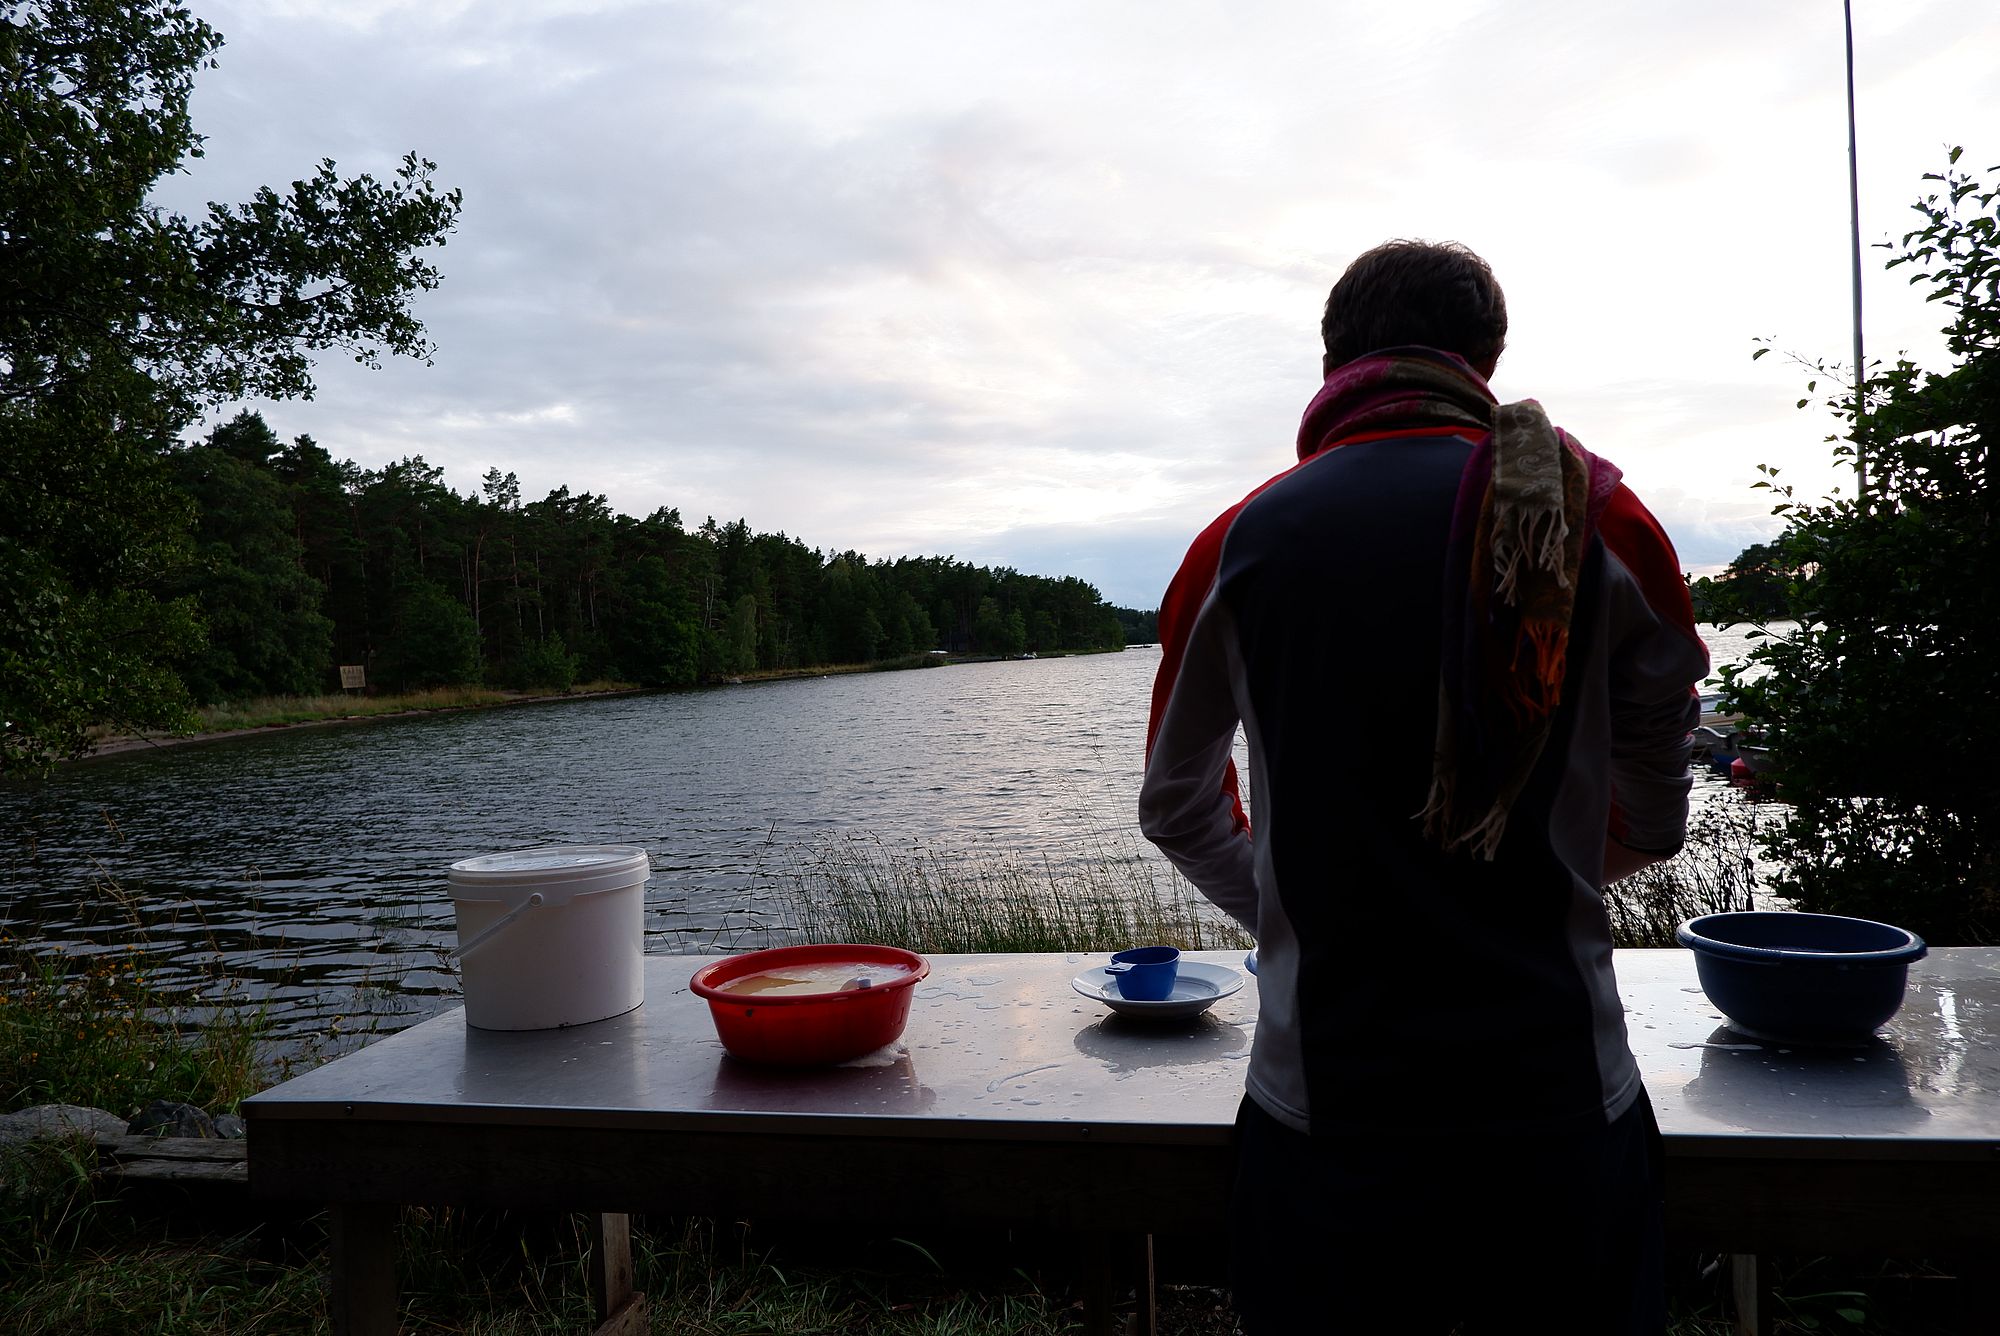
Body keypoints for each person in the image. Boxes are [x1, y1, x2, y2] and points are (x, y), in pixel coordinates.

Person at [1137, 240, 1708, 1334]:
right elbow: (1655, 803)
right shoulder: (1599, 518)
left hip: (1325, 1119)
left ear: (1333, 359)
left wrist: (1294, 910)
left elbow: (1176, 805)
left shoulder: (1236, 542)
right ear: (1485, 356)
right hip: (1559, 1104)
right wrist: (1559, 875)